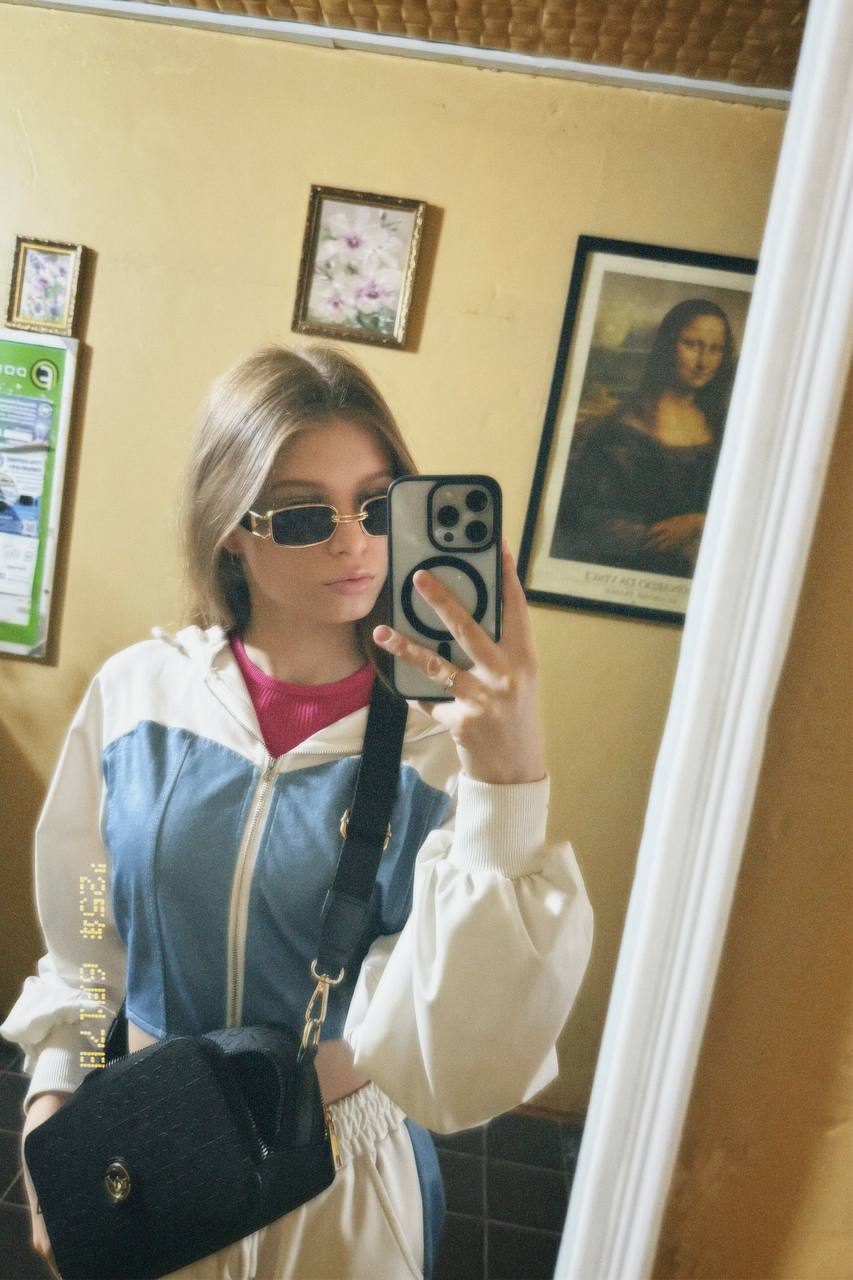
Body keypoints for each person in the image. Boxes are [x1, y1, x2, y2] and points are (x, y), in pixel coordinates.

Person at [1, 344, 593, 1280]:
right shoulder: (138, 697)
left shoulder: (447, 744)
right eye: (305, 514)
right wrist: (53, 1102)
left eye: (377, 504)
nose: (352, 543)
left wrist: (509, 782)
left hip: (342, 1175)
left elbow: (468, 1064)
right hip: (148, 1141)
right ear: (230, 529)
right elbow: (85, 934)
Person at [550, 298, 736, 576]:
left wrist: (698, 522)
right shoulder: (622, 431)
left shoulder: (723, 426)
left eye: (715, 349)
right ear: (667, 345)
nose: (703, 362)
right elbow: (588, 523)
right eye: (691, 344)